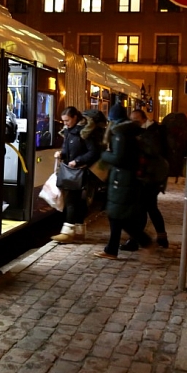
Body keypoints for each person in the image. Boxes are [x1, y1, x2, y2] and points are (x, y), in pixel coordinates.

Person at [94, 103, 152, 260]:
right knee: (117, 216)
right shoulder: (130, 131)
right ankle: (111, 250)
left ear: (112, 119)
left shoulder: (120, 134)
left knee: (118, 216)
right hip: (124, 180)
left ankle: (145, 241)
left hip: (122, 181)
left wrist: (104, 155)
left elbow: (119, 158)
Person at [51, 106, 104, 243]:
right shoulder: (68, 131)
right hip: (72, 171)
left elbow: (93, 152)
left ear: (75, 117)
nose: (65, 123)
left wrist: (78, 161)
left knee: (71, 201)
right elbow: (67, 148)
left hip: (80, 172)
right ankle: (80, 231)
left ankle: (67, 232)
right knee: (79, 202)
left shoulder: (85, 133)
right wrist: (61, 153)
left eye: (67, 120)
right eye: (63, 121)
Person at [129, 108, 169, 249]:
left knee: (141, 208)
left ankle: (136, 240)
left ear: (144, 120)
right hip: (152, 177)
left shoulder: (151, 133)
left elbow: (152, 153)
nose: (133, 123)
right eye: (131, 120)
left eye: (136, 120)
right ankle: (162, 237)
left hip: (150, 178)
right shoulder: (149, 131)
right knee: (151, 207)